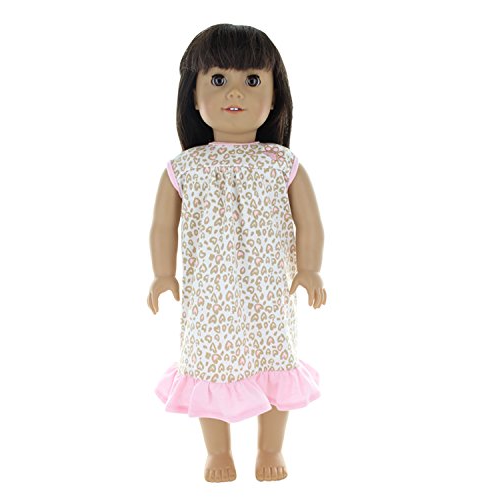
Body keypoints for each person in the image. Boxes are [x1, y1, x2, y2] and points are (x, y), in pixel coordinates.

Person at [147, 23, 327, 483]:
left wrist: (309, 268)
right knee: (209, 363)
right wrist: (163, 274)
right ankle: (218, 452)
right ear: (193, 95)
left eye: (251, 80)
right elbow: (163, 226)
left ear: (274, 94)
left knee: (275, 358)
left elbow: (308, 221)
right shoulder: (185, 168)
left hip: (269, 290)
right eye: (217, 79)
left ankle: (271, 447)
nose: (235, 92)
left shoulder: (281, 163)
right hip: (210, 296)